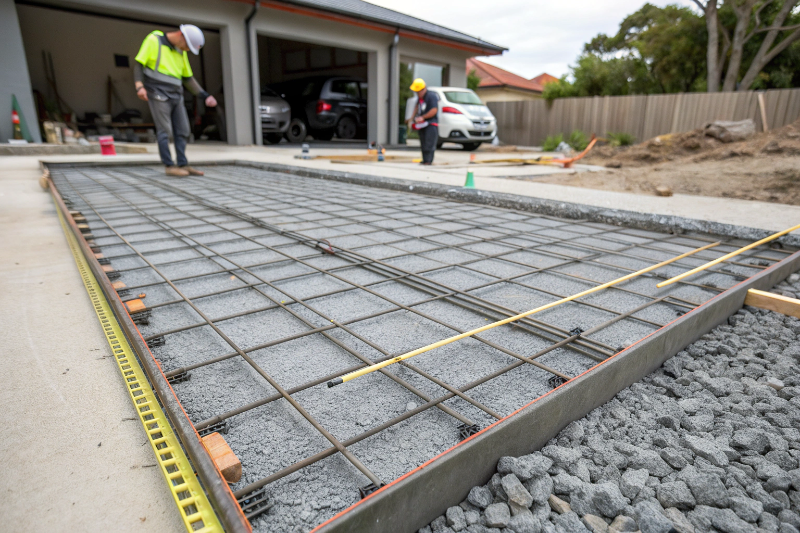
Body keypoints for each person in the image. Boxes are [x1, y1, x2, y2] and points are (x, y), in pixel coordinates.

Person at [133, 25, 217, 177]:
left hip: (176, 95)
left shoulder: (180, 50)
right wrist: (139, 86)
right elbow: (139, 63)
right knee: (165, 130)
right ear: (181, 35)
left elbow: (187, 78)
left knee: (183, 130)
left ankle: (183, 164)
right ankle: (169, 166)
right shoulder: (154, 40)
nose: (187, 50)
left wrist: (205, 96)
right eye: (187, 46)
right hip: (158, 92)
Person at [409, 78, 438, 165]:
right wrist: (412, 118)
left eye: (418, 92)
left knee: (429, 143)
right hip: (422, 125)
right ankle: (425, 160)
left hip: (430, 124)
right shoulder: (420, 98)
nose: (417, 94)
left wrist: (423, 117)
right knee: (423, 143)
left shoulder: (431, 96)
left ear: (423, 89)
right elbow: (417, 107)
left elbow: (434, 110)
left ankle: (428, 161)